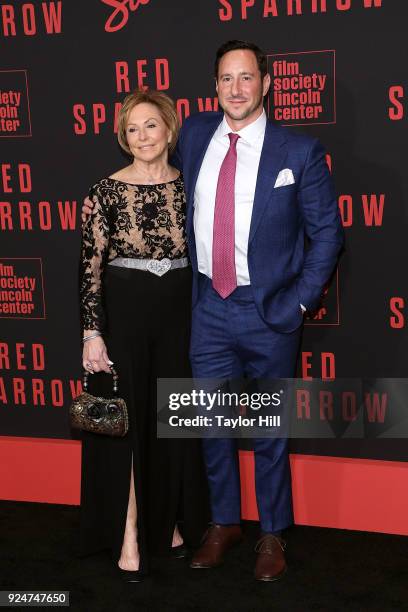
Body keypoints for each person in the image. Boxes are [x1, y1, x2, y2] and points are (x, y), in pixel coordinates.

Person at [83, 40, 344, 582]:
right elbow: (151, 171)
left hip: (269, 309)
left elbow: (327, 237)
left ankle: (272, 533)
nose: (236, 89)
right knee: (211, 424)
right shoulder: (198, 134)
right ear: (215, 86)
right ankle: (224, 523)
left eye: (246, 78)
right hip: (207, 308)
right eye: (226, 79)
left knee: (269, 428)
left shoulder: (299, 153)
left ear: (266, 84)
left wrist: (299, 301)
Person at [79, 89, 209, 582]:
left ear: (169, 129)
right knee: (130, 421)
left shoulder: (188, 185)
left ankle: (168, 521)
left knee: (173, 415)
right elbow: (89, 268)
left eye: (150, 125)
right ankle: (130, 530)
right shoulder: (105, 191)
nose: (141, 137)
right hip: (126, 310)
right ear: (122, 136)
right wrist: (93, 332)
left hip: (180, 309)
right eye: (132, 129)